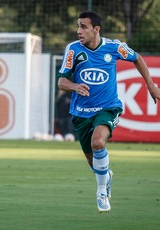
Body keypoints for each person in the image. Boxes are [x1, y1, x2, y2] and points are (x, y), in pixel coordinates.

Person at [57, 11, 160, 212]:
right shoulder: (73, 50)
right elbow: (61, 81)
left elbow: (136, 58)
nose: (79, 31)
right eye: (78, 26)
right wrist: (75, 86)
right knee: (92, 159)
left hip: (108, 107)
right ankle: (106, 176)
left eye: (84, 27)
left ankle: (102, 192)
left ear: (96, 29)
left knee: (98, 142)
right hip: (81, 112)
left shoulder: (114, 47)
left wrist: (151, 85)